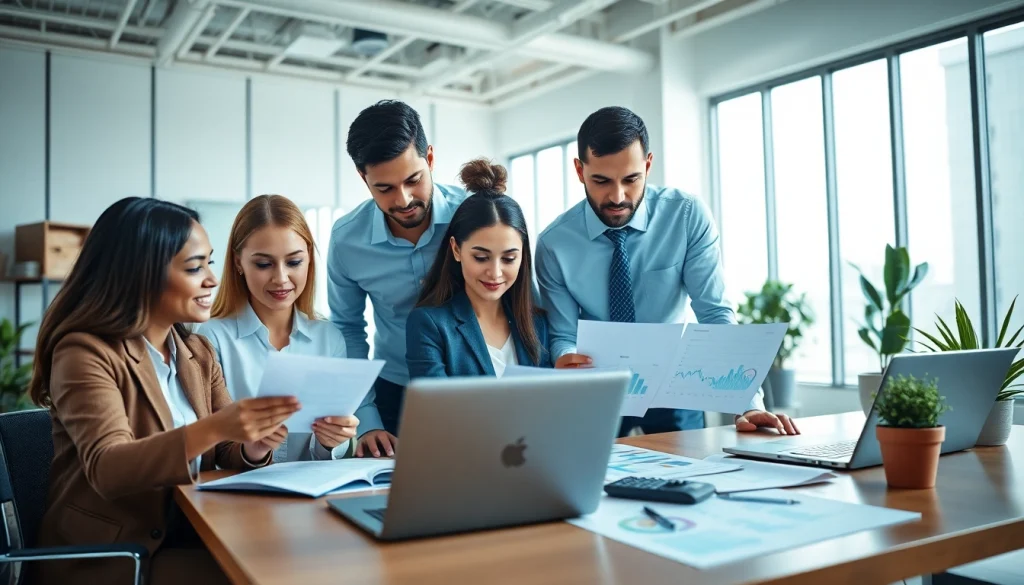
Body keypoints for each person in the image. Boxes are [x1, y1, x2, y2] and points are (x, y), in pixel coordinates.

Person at [28, 197, 299, 585]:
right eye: (194, 267)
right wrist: (218, 427)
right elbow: (108, 467)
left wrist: (254, 445)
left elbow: (225, 452)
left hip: (191, 532)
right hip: (115, 556)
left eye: (209, 262)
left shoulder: (197, 353)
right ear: (141, 274)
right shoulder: (84, 352)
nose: (212, 278)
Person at [535, 106, 800, 437]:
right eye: (601, 180)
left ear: (648, 164)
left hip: (675, 385)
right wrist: (565, 357)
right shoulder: (554, 243)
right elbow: (562, 334)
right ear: (579, 169)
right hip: (598, 385)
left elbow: (715, 313)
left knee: (687, 477)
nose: (617, 196)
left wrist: (748, 404)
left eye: (631, 179)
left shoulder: (687, 216)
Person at [197, 195, 386, 460]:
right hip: (238, 493)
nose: (281, 278)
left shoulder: (328, 337)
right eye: (264, 264)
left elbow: (331, 450)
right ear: (238, 262)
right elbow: (208, 446)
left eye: (294, 262)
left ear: (309, 258)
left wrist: (333, 441)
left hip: (309, 493)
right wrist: (251, 449)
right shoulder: (211, 338)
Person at [329, 99, 468, 446]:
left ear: (431, 159)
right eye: (385, 188)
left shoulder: (474, 215)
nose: (404, 200)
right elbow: (348, 330)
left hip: (475, 383)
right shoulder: (347, 239)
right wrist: (367, 419)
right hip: (394, 393)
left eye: (413, 180)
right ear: (364, 178)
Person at [407, 159, 553, 378]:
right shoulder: (430, 325)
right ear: (456, 249)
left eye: (509, 258)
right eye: (481, 257)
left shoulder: (537, 324)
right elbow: (437, 409)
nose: (495, 273)